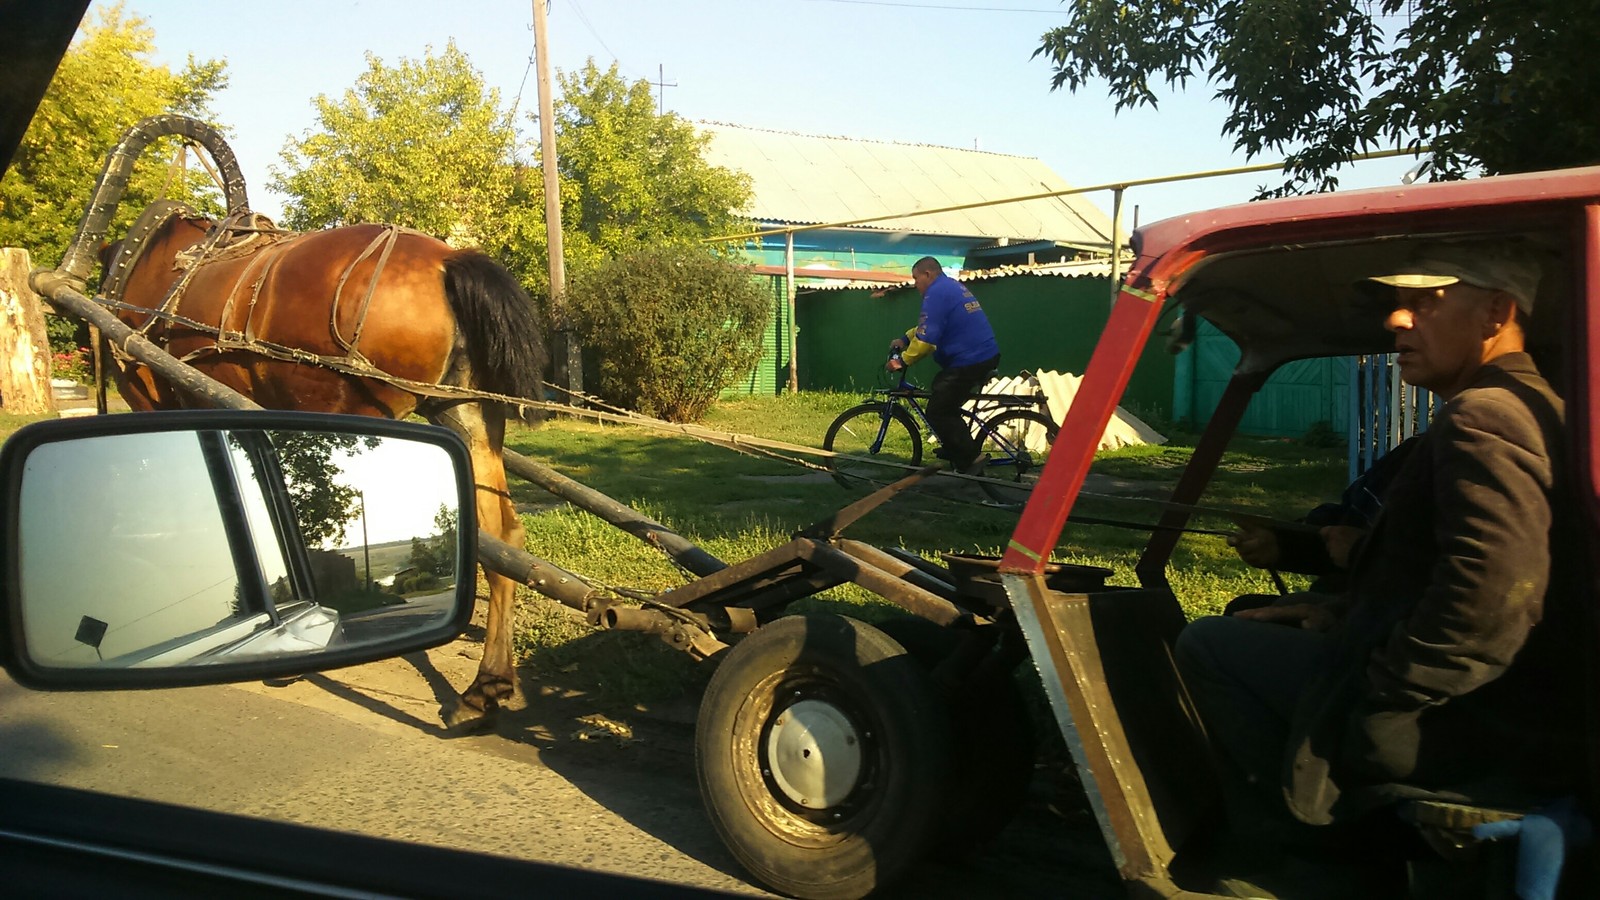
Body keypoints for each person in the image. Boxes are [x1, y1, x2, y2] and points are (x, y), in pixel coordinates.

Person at [1175, 242, 1583, 852]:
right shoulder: (1534, 408)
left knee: (1207, 644)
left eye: (1424, 302)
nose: (1396, 320)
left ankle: (1292, 860)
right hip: (1508, 708)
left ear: (1496, 313)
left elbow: (1494, 596)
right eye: (1398, 304)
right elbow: (1459, 575)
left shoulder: (1485, 418)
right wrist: (1340, 611)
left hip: (1463, 722)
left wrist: (1385, 688)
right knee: (1249, 618)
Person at [887, 256, 1001, 475]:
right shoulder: (948, 287)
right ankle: (954, 446)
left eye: (915, 278)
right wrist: (905, 338)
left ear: (928, 274)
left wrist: (901, 361)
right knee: (942, 390)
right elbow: (929, 325)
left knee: (939, 410)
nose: (914, 284)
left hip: (972, 359)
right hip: (980, 355)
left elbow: (927, 342)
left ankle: (971, 459)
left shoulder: (936, 293)